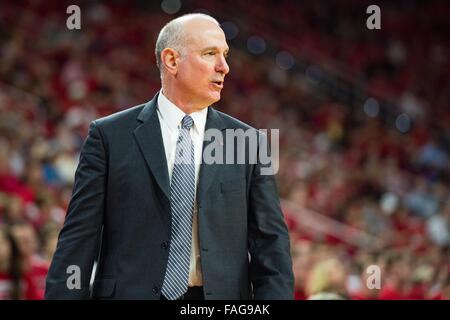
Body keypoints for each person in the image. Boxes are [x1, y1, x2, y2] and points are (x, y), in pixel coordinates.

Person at [45, 13, 294, 300]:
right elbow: (79, 238)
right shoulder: (109, 136)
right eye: (210, 53)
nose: (224, 67)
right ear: (172, 60)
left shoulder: (249, 143)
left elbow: (271, 246)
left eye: (225, 55)